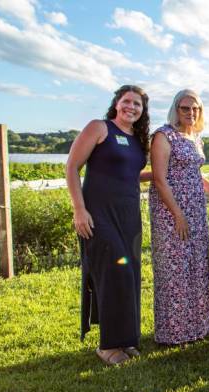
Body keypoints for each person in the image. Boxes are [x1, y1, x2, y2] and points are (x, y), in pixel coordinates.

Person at [66, 85, 151, 365]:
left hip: (128, 216)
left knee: (130, 275)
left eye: (137, 104)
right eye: (127, 101)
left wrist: (169, 173)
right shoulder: (99, 128)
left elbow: (128, 175)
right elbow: (71, 167)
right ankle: (107, 346)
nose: (132, 107)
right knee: (115, 272)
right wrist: (79, 210)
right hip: (98, 215)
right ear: (116, 104)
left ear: (142, 110)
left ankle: (125, 339)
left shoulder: (138, 140)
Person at [149, 89, 209, 345]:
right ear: (175, 109)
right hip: (171, 213)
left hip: (197, 211)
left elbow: (195, 174)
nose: (191, 113)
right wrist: (178, 215)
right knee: (174, 270)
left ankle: (197, 328)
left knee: (197, 268)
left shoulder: (195, 137)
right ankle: (173, 333)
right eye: (185, 108)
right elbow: (159, 179)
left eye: (195, 108)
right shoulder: (163, 135)